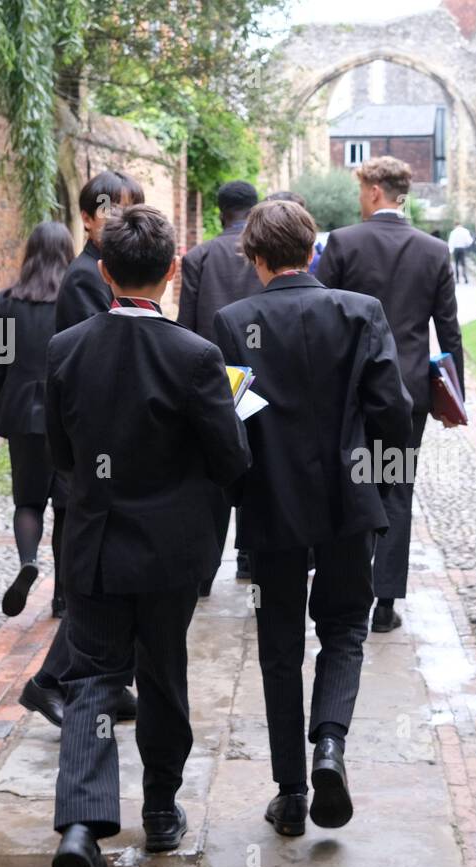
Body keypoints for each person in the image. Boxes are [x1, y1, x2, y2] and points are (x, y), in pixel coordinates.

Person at [47, 204, 251, 867]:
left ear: (103, 272)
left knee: (93, 683)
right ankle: (162, 808)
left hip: (94, 546)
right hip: (167, 553)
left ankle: (80, 826)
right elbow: (231, 460)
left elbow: (62, 455)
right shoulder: (195, 357)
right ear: (173, 271)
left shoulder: (66, 346)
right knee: (162, 674)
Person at [215, 200, 412, 836]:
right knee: (346, 627)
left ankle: (292, 792)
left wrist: (243, 486)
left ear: (255, 257)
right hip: (349, 495)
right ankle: (330, 745)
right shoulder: (360, 313)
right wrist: (384, 484)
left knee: (278, 645)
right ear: (312, 249)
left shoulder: (233, 321)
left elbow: (235, 420)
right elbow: (391, 411)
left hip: (273, 500)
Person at [17, 170, 144, 727]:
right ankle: (48, 682)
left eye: (132, 209)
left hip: (112, 446)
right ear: (89, 218)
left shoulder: (106, 269)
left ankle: (111, 685)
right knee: (98, 581)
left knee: (112, 581)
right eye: (113, 211)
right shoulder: (86, 278)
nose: (124, 221)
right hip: (101, 448)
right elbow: (106, 354)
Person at [316, 156, 463, 634]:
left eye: (362, 190)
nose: (359, 199)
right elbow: (449, 331)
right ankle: (385, 601)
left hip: (352, 390)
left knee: (354, 484)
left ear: (376, 190)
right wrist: (454, 396)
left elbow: (319, 315)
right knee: (397, 488)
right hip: (408, 394)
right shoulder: (433, 250)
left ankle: (351, 590)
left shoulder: (344, 242)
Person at [177, 180, 263, 590]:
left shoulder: (198, 256)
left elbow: (187, 326)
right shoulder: (264, 255)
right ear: (255, 209)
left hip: (210, 377)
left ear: (219, 212)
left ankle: (206, 570)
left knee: (211, 472)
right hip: (260, 375)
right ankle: (248, 556)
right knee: (257, 460)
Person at [0, 221, 74, 619]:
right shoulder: (74, 302)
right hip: (66, 411)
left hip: (20, 409)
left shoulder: (6, 302)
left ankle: (27, 561)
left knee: (28, 500)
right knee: (67, 505)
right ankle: (62, 597)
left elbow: (0, 360)